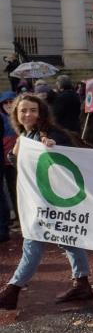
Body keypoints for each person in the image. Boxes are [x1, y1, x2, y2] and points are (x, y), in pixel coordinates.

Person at [0, 94, 93, 310]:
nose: (28, 114)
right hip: (39, 199)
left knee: (33, 242)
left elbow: (62, 157)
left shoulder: (51, 134)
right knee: (68, 239)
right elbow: (19, 163)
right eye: (23, 110)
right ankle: (82, 283)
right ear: (15, 114)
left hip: (53, 201)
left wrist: (53, 147)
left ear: (41, 112)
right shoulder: (25, 134)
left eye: (33, 110)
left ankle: (12, 290)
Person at [0, 92, 18, 235]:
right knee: (8, 191)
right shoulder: (2, 118)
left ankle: (20, 217)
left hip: (16, 160)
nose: (8, 105)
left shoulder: (21, 115)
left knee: (17, 189)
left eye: (10, 101)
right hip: (4, 161)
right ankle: (15, 218)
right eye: (5, 103)